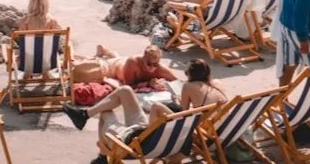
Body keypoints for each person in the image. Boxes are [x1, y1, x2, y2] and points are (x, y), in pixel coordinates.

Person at [62, 59, 225, 164]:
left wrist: (170, 106)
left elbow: (179, 111)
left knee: (106, 113)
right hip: (146, 132)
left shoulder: (180, 126)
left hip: (137, 141)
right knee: (125, 90)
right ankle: (84, 115)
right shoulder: (183, 137)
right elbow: (181, 115)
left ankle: (103, 157)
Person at [72, 44, 177, 87]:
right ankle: (103, 52)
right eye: (149, 63)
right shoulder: (133, 62)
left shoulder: (159, 68)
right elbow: (129, 86)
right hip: (111, 68)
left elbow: (178, 81)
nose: (152, 67)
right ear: (143, 57)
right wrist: (149, 83)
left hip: (120, 63)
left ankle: (105, 51)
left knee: (117, 59)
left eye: (155, 64)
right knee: (78, 72)